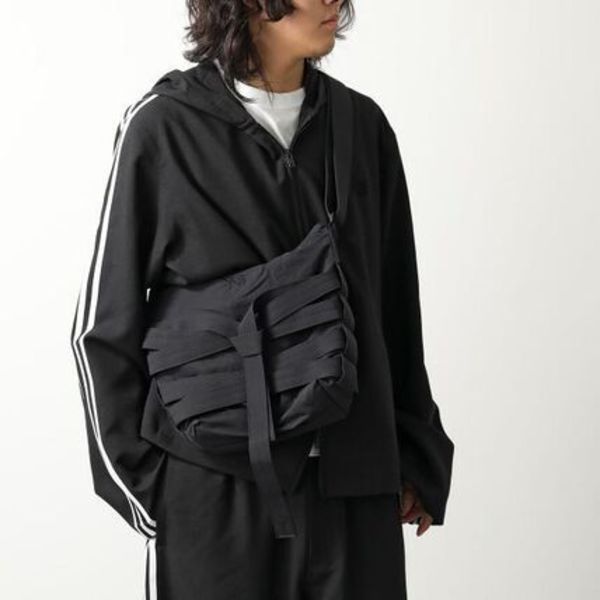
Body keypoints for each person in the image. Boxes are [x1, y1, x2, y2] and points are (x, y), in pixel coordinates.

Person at [69, 1, 455, 598]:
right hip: (216, 490)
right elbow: (103, 325)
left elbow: (395, 307)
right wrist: (153, 492)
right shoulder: (165, 126)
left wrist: (415, 454)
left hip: (354, 491)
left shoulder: (362, 126)